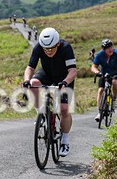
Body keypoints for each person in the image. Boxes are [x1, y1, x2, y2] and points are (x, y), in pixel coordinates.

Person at [22, 27, 77, 156]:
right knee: (33, 84)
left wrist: (65, 82)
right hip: (47, 73)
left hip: (64, 77)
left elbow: (73, 71)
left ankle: (65, 141)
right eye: (46, 49)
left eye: (52, 48)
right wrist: (26, 80)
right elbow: (30, 67)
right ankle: (41, 113)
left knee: (64, 109)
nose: (49, 51)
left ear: (58, 43)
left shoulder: (66, 48)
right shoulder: (39, 47)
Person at [90, 39, 117, 122]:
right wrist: (97, 72)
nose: (110, 49)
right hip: (104, 75)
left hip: (115, 74)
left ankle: (114, 99)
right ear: (103, 50)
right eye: (107, 48)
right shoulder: (100, 55)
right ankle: (100, 112)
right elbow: (93, 67)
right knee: (100, 90)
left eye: (111, 47)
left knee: (114, 82)